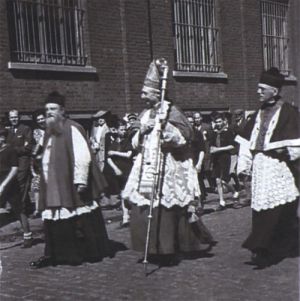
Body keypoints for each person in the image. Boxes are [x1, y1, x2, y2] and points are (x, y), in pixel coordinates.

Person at [122, 59, 214, 265]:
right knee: (143, 205)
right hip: (146, 165)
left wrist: (166, 131)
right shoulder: (144, 114)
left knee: (167, 207)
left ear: (157, 93)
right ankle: (151, 247)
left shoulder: (172, 111)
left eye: (145, 93)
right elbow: (134, 141)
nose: (142, 97)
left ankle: (168, 247)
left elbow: (185, 137)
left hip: (169, 165)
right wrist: (142, 131)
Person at [30, 91, 111, 268]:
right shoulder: (48, 131)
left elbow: (83, 155)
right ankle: (55, 254)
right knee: (53, 217)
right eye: (47, 109)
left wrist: (81, 180)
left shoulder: (72, 127)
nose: (49, 112)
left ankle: (81, 253)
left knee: (77, 218)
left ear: (63, 110)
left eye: (53, 108)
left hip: (69, 182)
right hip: (52, 182)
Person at [235, 67, 300, 267]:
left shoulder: (289, 112)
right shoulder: (257, 114)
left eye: (262, 89)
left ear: (274, 90)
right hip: (261, 167)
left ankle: (264, 247)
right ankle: (265, 246)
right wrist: (244, 165)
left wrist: (286, 151)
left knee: (279, 209)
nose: (258, 92)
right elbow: (247, 142)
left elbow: (296, 144)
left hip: (279, 168)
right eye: (258, 88)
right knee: (261, 207)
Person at [0, 127, 33, 247]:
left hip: (10, 184)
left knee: (19, 210)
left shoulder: (10, 150)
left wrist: (3, 185)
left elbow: (14, 169)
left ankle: (27, 236)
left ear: (2, 138)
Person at [208, 112, 239, 211]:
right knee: (217, 180)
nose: (218, 123)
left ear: (223, 121)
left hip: (225, 157)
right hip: (216, 158)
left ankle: (234, 192)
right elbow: (211, 145)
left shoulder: (228, 131)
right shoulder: (214, 132)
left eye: (220, 121)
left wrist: (219, 149)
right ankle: (221, 201)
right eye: (216, 122)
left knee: (224, 180)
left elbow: (232, 146)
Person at [106, 119, 133, 227]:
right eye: (121, 129)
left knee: (129, 193)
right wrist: (115, 168)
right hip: (119, 171)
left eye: (125, 129)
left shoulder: (127, 141)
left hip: (128, 169)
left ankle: (132, 214)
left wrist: (115, 153)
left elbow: (128, 154)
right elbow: (108, 157)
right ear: (116, 130)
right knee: (122, 193)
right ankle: (125, 216)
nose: (124, 131)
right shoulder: (114, 142)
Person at [30, 109, 46, 217]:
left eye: (42, 118)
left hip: (53, 159)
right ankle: (37, 209)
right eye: (38, 119)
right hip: (40, 160)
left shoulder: (52, 128)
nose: (41, 121)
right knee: (37, 184)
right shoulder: (36, 131)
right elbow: (37, 146)